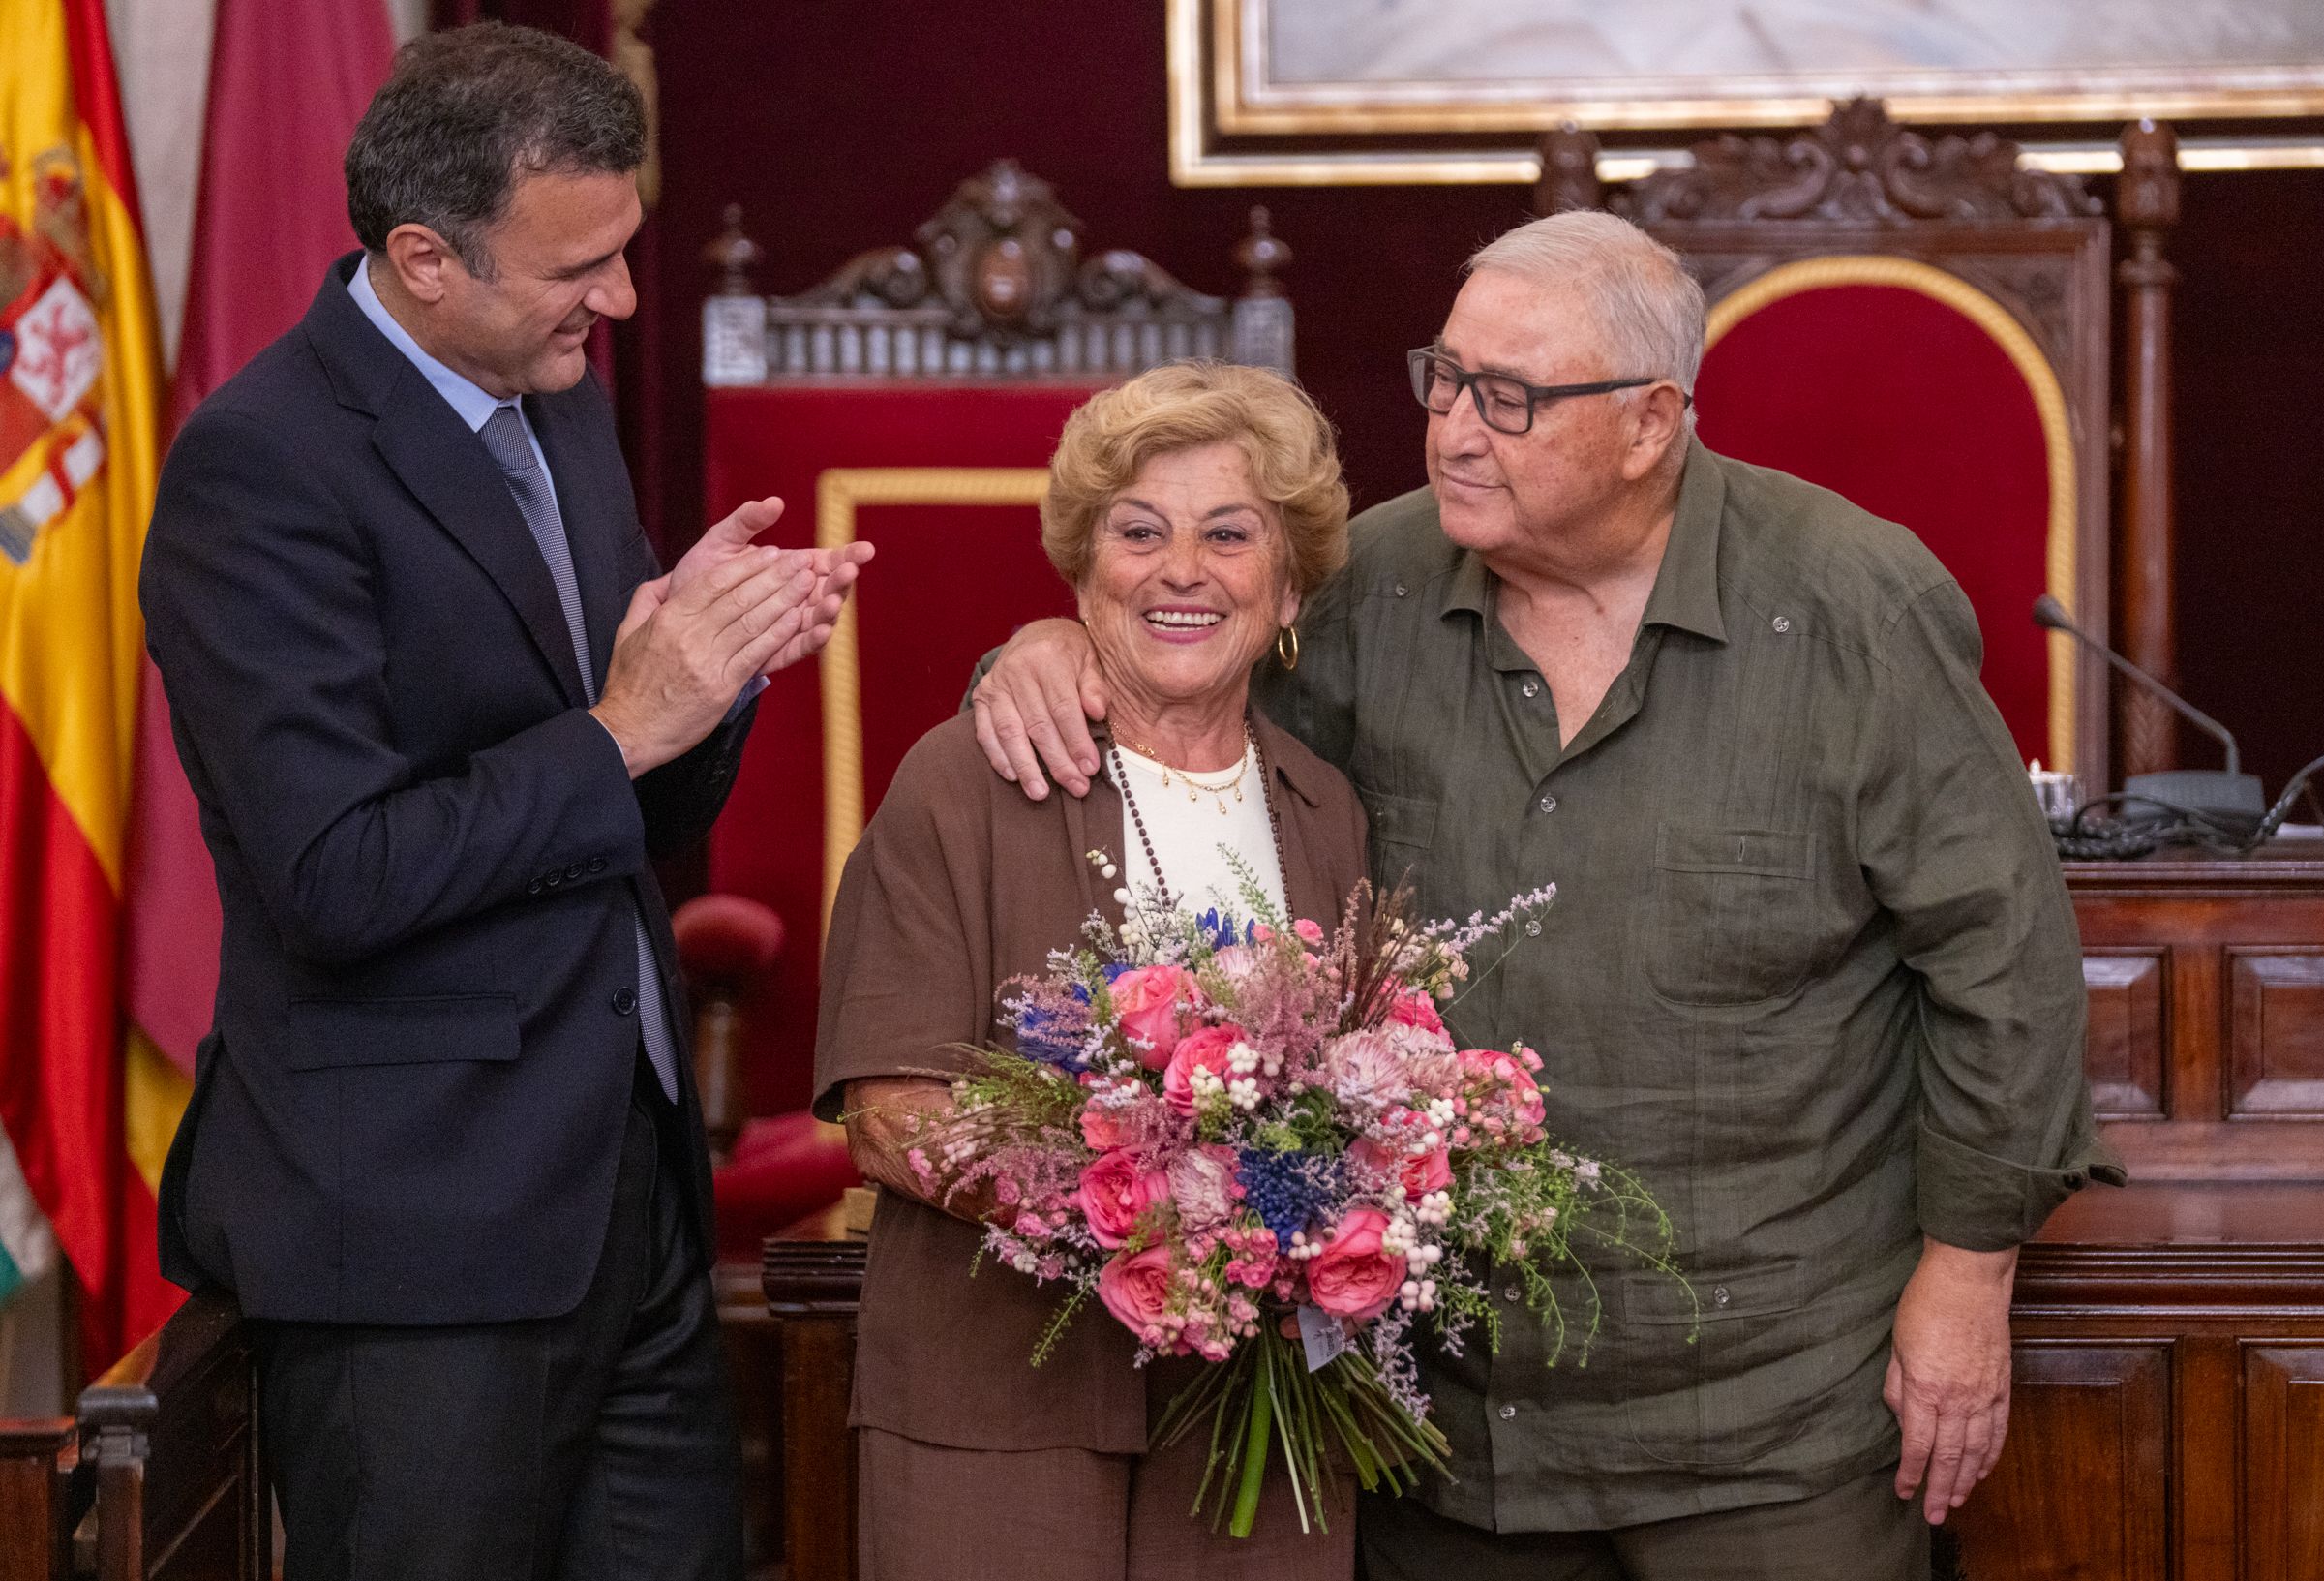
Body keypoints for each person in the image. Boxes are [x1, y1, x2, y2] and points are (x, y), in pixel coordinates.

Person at [970, 210, 2121, 1578]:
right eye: (1443, 380)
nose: (1454, 429)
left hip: (1773, 1410)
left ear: (1649, 423)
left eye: (1508, 399)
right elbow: (1178, 678)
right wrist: (1049, 644)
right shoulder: (1365, 590)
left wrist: (1970, 1274)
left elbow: (2005, 964)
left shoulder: (1849, 604)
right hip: (1447, 1420)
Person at [139, 26, 867, 1581]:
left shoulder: (556, 395)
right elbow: (337, 873)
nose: (615, 300)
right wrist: (625, 725)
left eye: (623, 253)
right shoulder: (258, 471)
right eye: (579, 267)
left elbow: (625, 807)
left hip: (628, 1188)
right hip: (417, 1242)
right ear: (423, 260)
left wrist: (712, 668)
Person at [814, 361, 1369, 1580]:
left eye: (1229, 534)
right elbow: (887, 1117)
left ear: (1286, 583)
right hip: (995, 1402)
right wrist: (1162, 1219)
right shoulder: (961, 783)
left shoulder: (1328, 814)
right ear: (1082, 572)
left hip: (1257, 1418)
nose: (1183, 569)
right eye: (1139, 532)